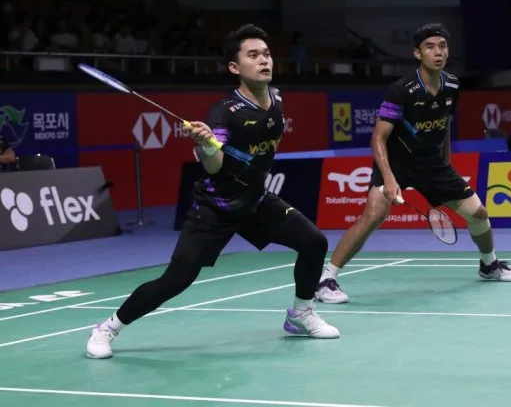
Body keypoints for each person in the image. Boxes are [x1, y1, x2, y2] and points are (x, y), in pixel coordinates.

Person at [86, 24, 340, 359]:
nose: (264, 60)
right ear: (235, 67)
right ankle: (108, 328)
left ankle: (300, 314)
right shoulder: (224, 112)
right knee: (175, 280)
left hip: (254, 200)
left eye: (266, 54)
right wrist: (207, 145)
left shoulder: (277, 101)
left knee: (314, 242)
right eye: (253, 55)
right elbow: (215, 167)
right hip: (216, 207)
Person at [315, 23, 511, 304]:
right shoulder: (402, 90)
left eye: (442, 46)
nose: (438, 52)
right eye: (430, 47)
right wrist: (389, 178)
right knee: (373, 216)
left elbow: (444, 125)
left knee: (479, 214)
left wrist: (446, 166)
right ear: (418, 53)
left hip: (432, 163)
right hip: (396, 162)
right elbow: (378, 138)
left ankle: (489, 265)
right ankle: (325, 280)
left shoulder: (452, 85)